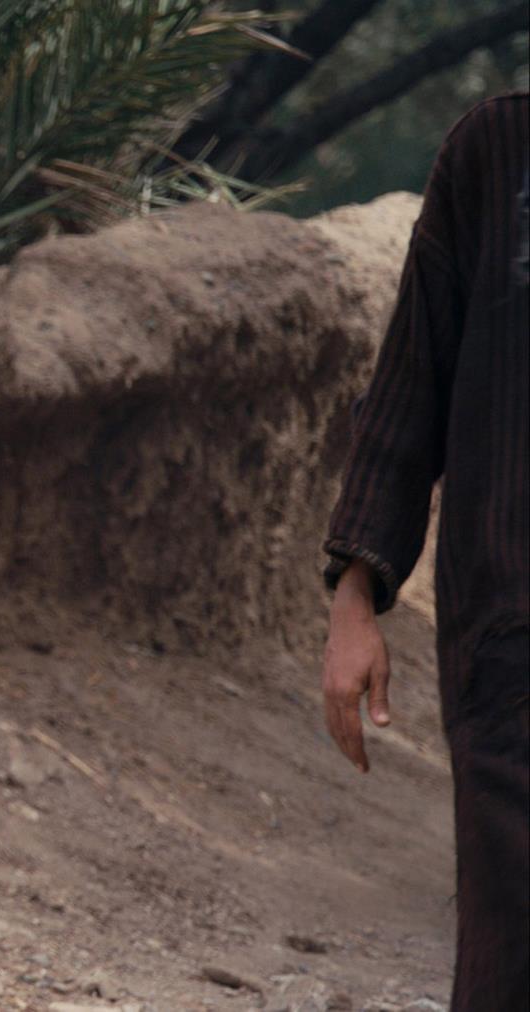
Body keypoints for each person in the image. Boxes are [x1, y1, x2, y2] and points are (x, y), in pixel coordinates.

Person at [319, 93, 527, 1011]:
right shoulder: (495, 154)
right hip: (510, 644)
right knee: (508, 946)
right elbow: (412, 385)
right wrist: (355, 596)